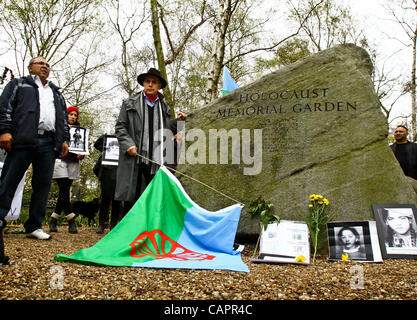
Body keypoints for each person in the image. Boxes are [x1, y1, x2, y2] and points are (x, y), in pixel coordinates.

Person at [0, 56, 69, 264]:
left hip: (48, 142)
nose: (45, 66)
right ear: (30, 67)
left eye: (48, 64)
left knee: (43, 185)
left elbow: (63, 117)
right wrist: (4, 130)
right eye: (40, 63)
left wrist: (64, 138)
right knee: (9, 180)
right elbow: (4, 108)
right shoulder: (18, 84)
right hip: (22, 138)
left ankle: (34, 226)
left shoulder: (56, 92)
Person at [115, 68, 186, 214]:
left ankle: (150, 232)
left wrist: (179, 122)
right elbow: (121, 127)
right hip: (135, 157)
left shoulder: (165, 107)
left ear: (159, 85)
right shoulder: (129, 103)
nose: (150, 85)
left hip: (156, 159)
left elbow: (165, 130)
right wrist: (128, 145)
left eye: (154, 82)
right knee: (131, 197)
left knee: (154, 197)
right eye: (147, 81)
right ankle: (129, 233)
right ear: (143, 84)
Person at [49, 106, 84, 234]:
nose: (73, 117)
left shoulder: (80, 131)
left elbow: (82, 147)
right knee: (64, 189)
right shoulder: (59, 127)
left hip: (73, 163)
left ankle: (54, 219)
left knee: (64, 192)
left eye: (75, 115)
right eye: (71, 114)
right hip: (60, 160)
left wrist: (82, 155)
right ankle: (71, 219)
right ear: (66, 115)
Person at [93, 134, 122, 234]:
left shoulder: (125, 140)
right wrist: (105, 138)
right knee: (105, 199)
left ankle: (113, 225)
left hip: (119, 171)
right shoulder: (108, 139)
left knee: (117, 199)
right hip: (106, 171)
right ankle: (101, 224)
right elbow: (96, 144)